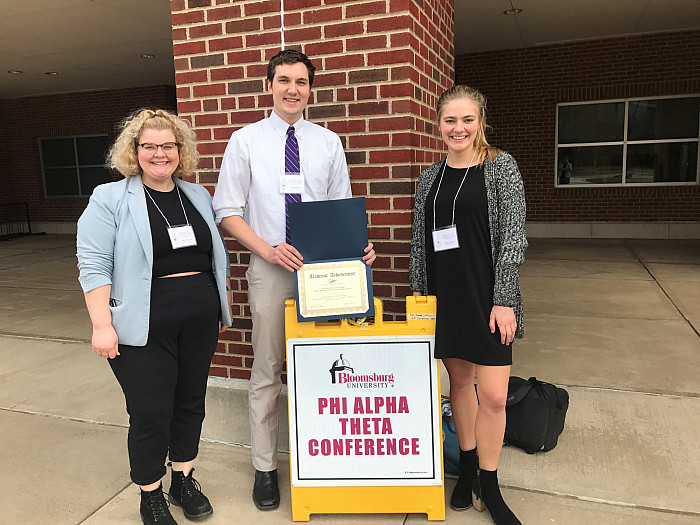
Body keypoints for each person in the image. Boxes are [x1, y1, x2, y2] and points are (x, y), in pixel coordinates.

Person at [212, 49, 375, 511]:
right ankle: (266, 468)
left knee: (325, 365)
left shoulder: (327, 142)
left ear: (310, 89)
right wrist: (268, 249)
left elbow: (340, 207)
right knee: (268, 370)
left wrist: (358, 248)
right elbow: (227, 211)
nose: (292, 89)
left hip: (324, 272)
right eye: (283, 80)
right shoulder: (244, 141)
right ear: (269, 85)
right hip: (270, 268)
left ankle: (322, 460)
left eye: (301, 82)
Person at [77, 109, 233, 525]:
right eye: (150, 146)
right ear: (134, 151)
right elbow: (93, 265)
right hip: (141, 326)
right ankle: (150, 493)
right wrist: (101, 324)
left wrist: (219, 305)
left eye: (168, 145)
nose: (159, 154)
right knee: (150, 411)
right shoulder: (109, 199)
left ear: (180, 151)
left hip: (199, 317)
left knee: (190, 402)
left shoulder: (197, 195)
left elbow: (213, 258)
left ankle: (183, 478)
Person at [409, 85, 527, 525]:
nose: (458, 129)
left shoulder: (501, 168)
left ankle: (490, 486)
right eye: (449, 121)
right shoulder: (429, 178)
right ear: (438, 125)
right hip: (447, 300)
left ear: (481, 121)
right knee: (460, 385)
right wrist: (420, 298)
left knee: (494, 396)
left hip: (490, 299)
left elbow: (514, 237)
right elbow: (420, 244)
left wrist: (504, 300)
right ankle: (469, 467)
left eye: (467, 120)